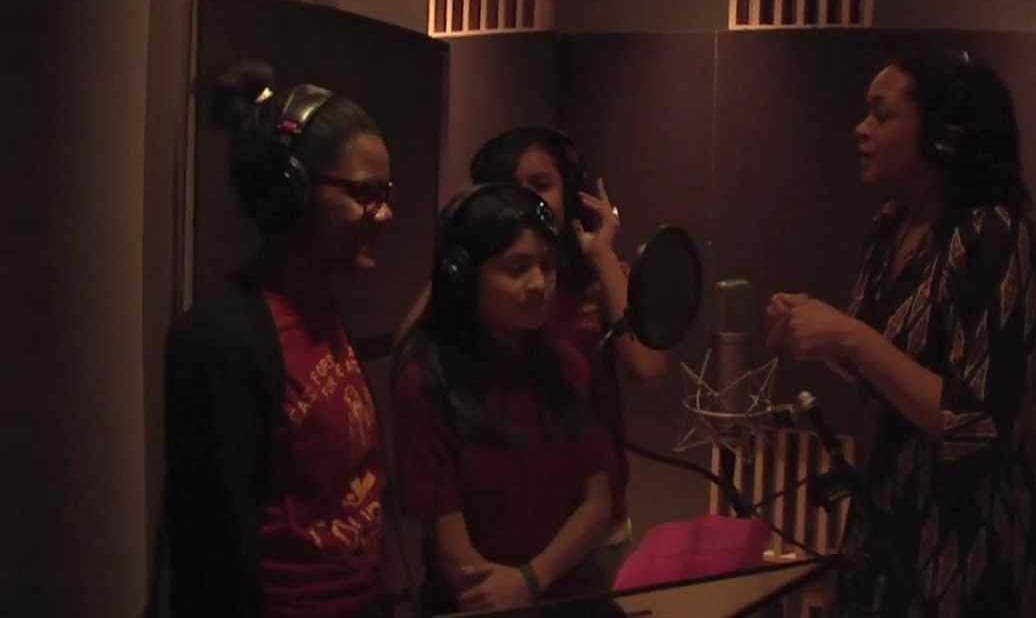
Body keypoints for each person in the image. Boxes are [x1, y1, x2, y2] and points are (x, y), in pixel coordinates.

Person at [764, 46, 1036, 616]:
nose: (861, 128)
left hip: (973, 533)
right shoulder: (890, 227)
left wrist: (850, 336)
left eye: (882, 115)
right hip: (893, 507)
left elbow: (977, 423)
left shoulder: (994, 236)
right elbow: (886, 374)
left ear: (943, 135)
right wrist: (815, 333)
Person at [165, 62, 396, 617]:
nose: (385, 214)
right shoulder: (220, 338)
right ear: (292, 194)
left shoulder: (320, 310)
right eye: (365, 194)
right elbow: (213, 551)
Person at [395, 126, 667, 579]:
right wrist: (466, 246)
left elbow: (648, 363)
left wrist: (602, 255)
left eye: (541, 185)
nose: (537, 284)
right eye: (509, 188)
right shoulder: (473, 292)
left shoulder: (595, 281)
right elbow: (414, 349)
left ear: (570, 191)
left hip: (589, 511)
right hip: (490, 524)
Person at [393, 183, 622, 615]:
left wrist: (532, 579)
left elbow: (599, 504)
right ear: (463, 276)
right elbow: (454, 554)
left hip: (568, 595)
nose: (539, 284)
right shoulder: (426, 381)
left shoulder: (565, 364)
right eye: (517, 269)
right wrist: (512, 592)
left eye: (548, 266)